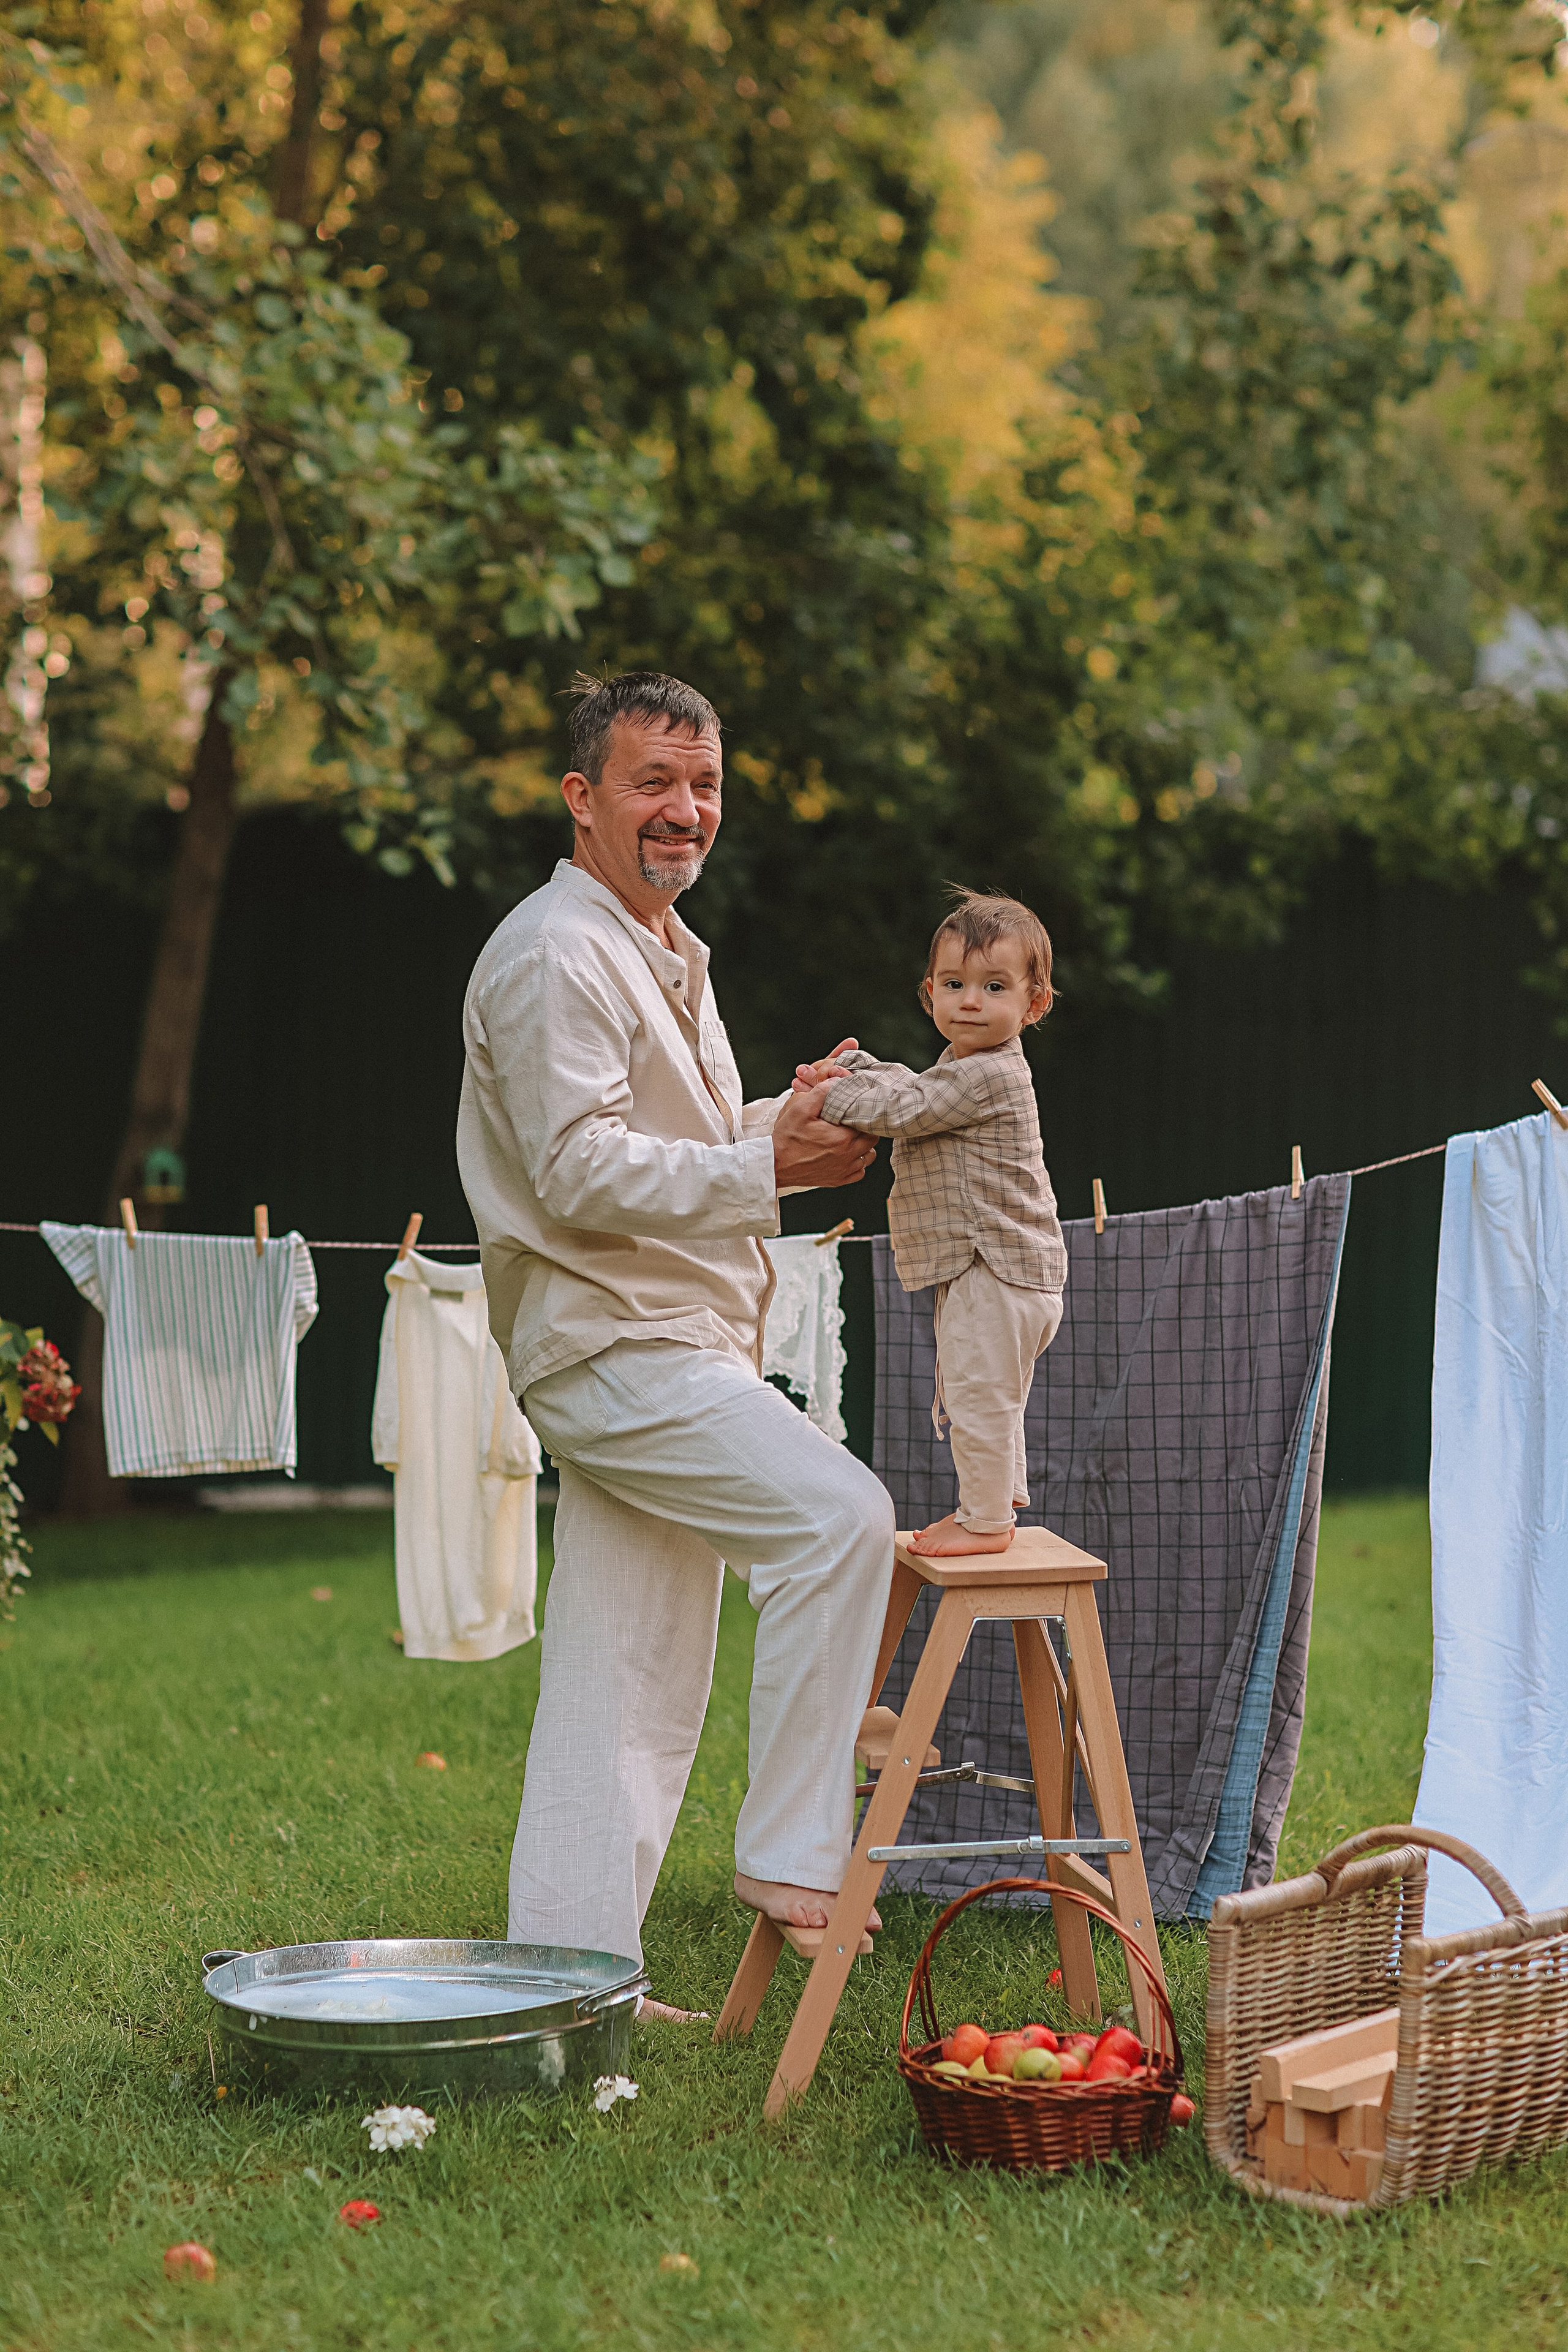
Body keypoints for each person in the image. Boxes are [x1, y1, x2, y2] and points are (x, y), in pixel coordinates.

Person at [457, 669, 895, 1986]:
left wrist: (784, 1121)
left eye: (703, 785)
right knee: (840, 1519)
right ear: (582, 797)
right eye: (654, 782)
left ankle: (563, 1977)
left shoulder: (654, 946)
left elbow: (676, 1143)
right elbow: (580, 1170)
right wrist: (772, 1172)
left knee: (622, 1691)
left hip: (661, 1335)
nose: (684, 809)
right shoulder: (553, 952)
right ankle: (792, 1853)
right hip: (614, 1344)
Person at [796, 889, 1067, 1559]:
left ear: (1033, 1005)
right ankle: (995, 1505)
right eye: (955, 984)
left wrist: (828, 1092)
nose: (970, 1000)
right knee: (992, 1394)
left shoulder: (990, 1077)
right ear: (930, 994)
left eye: (993, 986)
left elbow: (907, 1110)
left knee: (977, 1395)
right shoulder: (966, 1069)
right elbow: (911, 1089)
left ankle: (983, 1523)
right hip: (1012, 1272)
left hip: (996, 1270)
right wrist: (853, 1070)